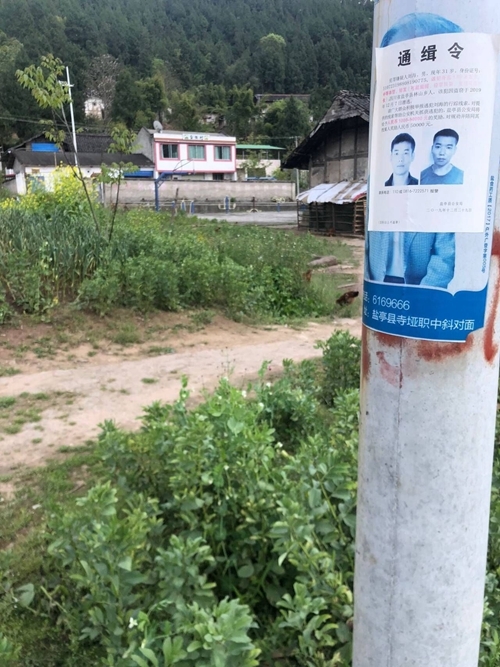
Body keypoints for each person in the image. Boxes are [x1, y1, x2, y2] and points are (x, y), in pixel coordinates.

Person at [365, 12, 461, 289]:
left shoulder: (438, 186)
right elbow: (370, 247)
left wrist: (426, 293)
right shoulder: (379, 187)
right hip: (381, 286)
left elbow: (445, 255)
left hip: (422, 289)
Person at [365, 231, 455, 287]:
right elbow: (365, 246)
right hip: (376, 282)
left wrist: (424, 293)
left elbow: (445, 255)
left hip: (420, 285)